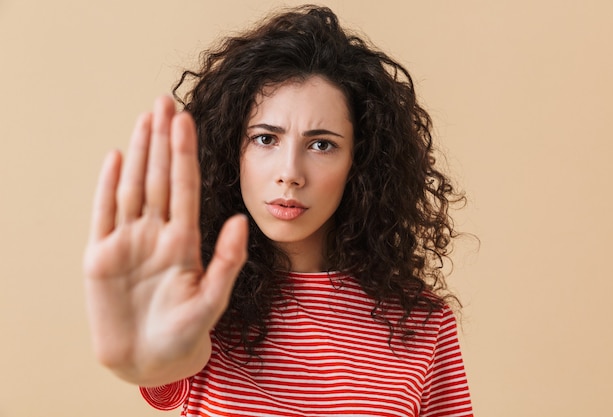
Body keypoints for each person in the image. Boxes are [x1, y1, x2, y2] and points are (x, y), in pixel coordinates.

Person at [83, 4, 473, 416]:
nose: (290, 173)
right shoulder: (200, 295)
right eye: (266, 139)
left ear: (360, 164)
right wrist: (148, 359)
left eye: (321, 144)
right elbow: (174, 360)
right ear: (231, 150)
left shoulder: (424, 322)